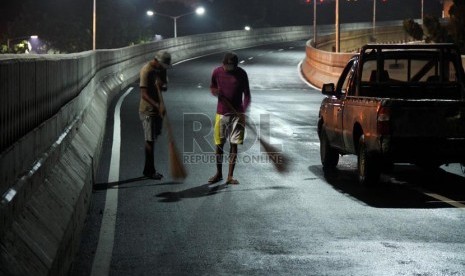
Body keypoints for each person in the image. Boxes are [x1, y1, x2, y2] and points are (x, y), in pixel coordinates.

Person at [208, 52, 251, 185]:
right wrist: (214, 91)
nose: (226, 67)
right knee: (219, 145)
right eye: (225, 65)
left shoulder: (242, 74)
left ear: (235, 65)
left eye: (229, 65)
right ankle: (219, 173)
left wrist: (243, 112)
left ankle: (230, 176)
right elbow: (212, 86)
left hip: (237, 115)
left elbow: (247, 95)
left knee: (234, 145)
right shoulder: (217, 72)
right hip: (221, 114)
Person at [139, 50, 171, 179]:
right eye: (163, 65)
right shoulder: (146, 71)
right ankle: (150, 171)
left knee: (154, 137)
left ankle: (148, 169)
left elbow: (165, 86)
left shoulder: (162, 69)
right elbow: (144, 95)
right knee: (150, 140)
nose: (164, 68)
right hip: (147, 110)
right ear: (156, 61)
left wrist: (162, 85)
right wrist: (157, 106)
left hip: (158, 110)